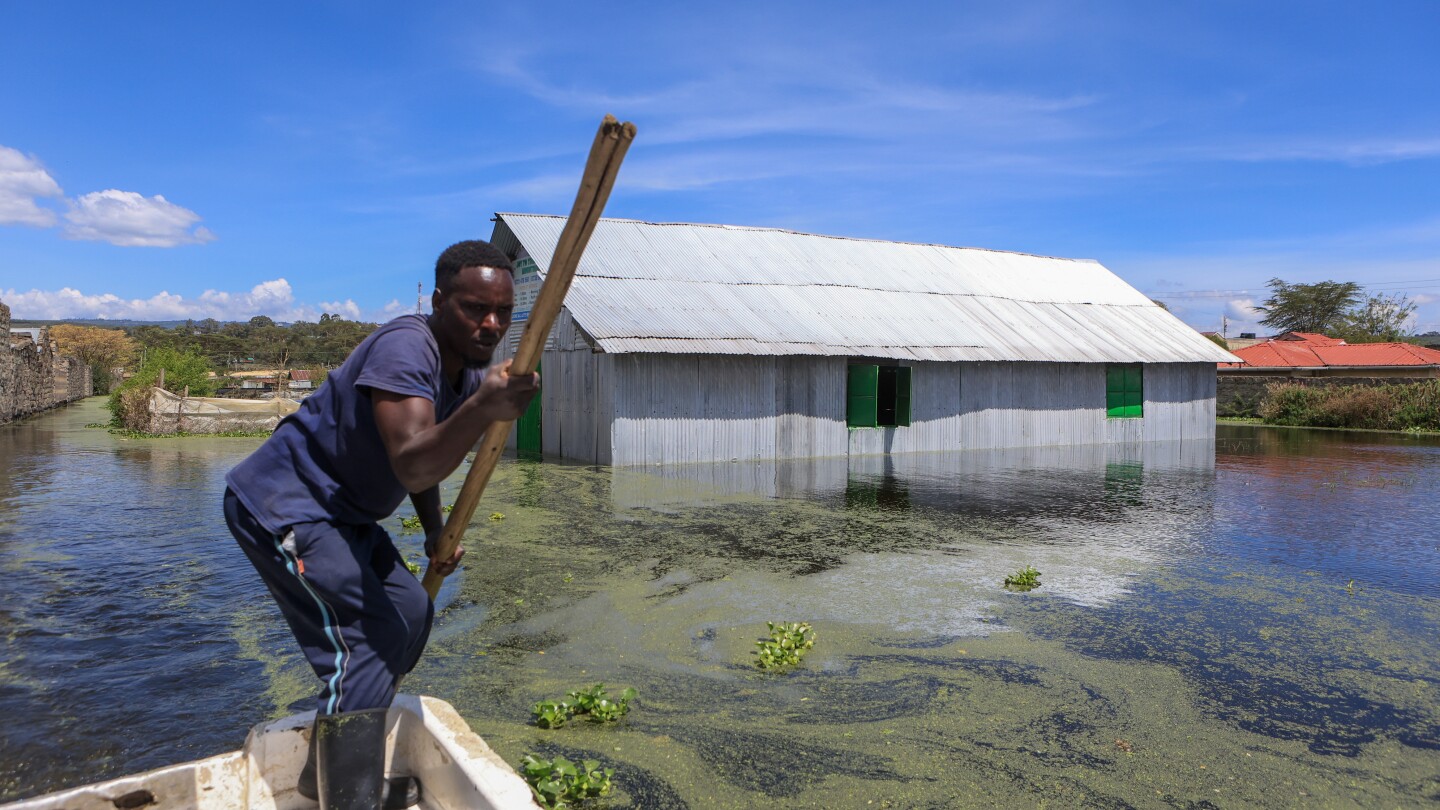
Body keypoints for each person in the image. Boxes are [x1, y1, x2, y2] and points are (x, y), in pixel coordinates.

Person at [223, 240, 539, 809]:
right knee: (369, 644)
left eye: (504, 312)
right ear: (440, 301)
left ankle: (324, 779)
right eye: (474, 309)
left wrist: (437, 533)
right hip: (283, 507)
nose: (491, 325)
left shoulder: (466, 372)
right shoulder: (405, 348)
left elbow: (425, 472)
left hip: (344, 515)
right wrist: (482, 409)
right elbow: (412, 459)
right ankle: (351, 800)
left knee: (412, 615)